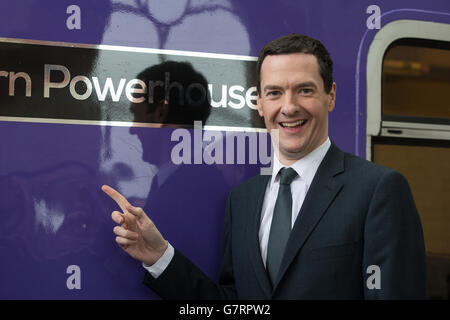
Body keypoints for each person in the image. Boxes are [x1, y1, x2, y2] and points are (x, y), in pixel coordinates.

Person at [102, 34, 426, 299]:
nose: (288, 107)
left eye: (304, 90)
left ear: (331, 96)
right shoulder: (242, 200)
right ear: (259, 103)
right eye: (275, 93)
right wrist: (160, 257)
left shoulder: (378, 190)